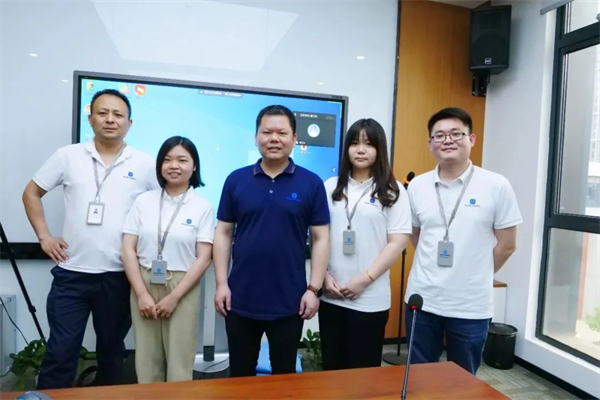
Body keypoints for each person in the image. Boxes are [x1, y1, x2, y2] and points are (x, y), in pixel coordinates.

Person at [22, 89, 157, 389]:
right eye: (103, 113)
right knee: (61, 351)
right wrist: (44, 237)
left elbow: (163, 207)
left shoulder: (145, 164)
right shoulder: (67, 156)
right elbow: (31, 193)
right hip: (72, 274)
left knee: (112, 352)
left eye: (118, 115)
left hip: (119, 277)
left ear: (129, 124)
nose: (110, 119)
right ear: (91, 118)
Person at [213, 105, 330, 377]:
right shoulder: (236, 180)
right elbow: (223, 233)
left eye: (282, 133)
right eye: (267, 132)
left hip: (290, 300)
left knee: (284, 377)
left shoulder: (311, 183)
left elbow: (320, 238)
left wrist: (313, 290)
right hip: (240, 298)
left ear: (294, 138)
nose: (274, 138)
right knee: (240, 375)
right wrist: (221, 284)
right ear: (256, 137)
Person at [406, 107, 522, 375]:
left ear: (471, 139)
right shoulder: (418, 186)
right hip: (423, 300)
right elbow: (415, 235)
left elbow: (507, 244)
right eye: (439, 135)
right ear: (430, 143)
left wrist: (476, 273)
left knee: (463, 380)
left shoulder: (496, 185)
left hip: (471, 305)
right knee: (419, 377)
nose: (447, 140)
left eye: (456, 134)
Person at [320, 118, 411, 370]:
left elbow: (397, 242)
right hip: (332, 294)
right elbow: (319, 236)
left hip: (370, 298)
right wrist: (323, 276)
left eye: (369, 144)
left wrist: (364, 279)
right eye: (354, 143)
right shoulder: (330, 186)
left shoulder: (393, 191)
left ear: (380, 149)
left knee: (363, 374)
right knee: (331, 370)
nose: (361, 150)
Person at [121, 136, 214, 383]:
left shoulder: (202, 206)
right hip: (144, 281)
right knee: (146, 359)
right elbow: (128, 249)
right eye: (167, 160)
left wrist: (174, 297)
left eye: (182, 160)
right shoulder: (144, 201)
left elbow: (204, 258)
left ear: (194, 166)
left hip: (183, 285)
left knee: (179, 360)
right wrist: (141, 294)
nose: (174, 166)